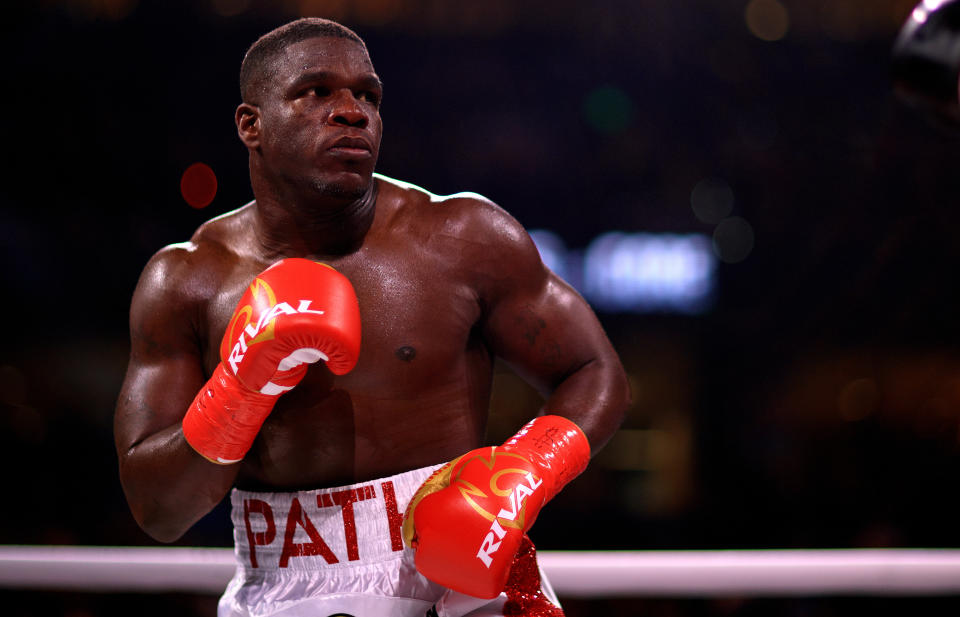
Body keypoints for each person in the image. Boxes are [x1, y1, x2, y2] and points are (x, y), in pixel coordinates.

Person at [114, 17, 629, 617]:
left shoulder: (461, 237)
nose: (352, 111)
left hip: (463, 577)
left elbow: (594, 368)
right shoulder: (187, 280)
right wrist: (239, 389)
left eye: (368, 95)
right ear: (250, 124)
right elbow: (157, 510)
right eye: (317, 92)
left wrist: (524, 470)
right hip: (285, 582)